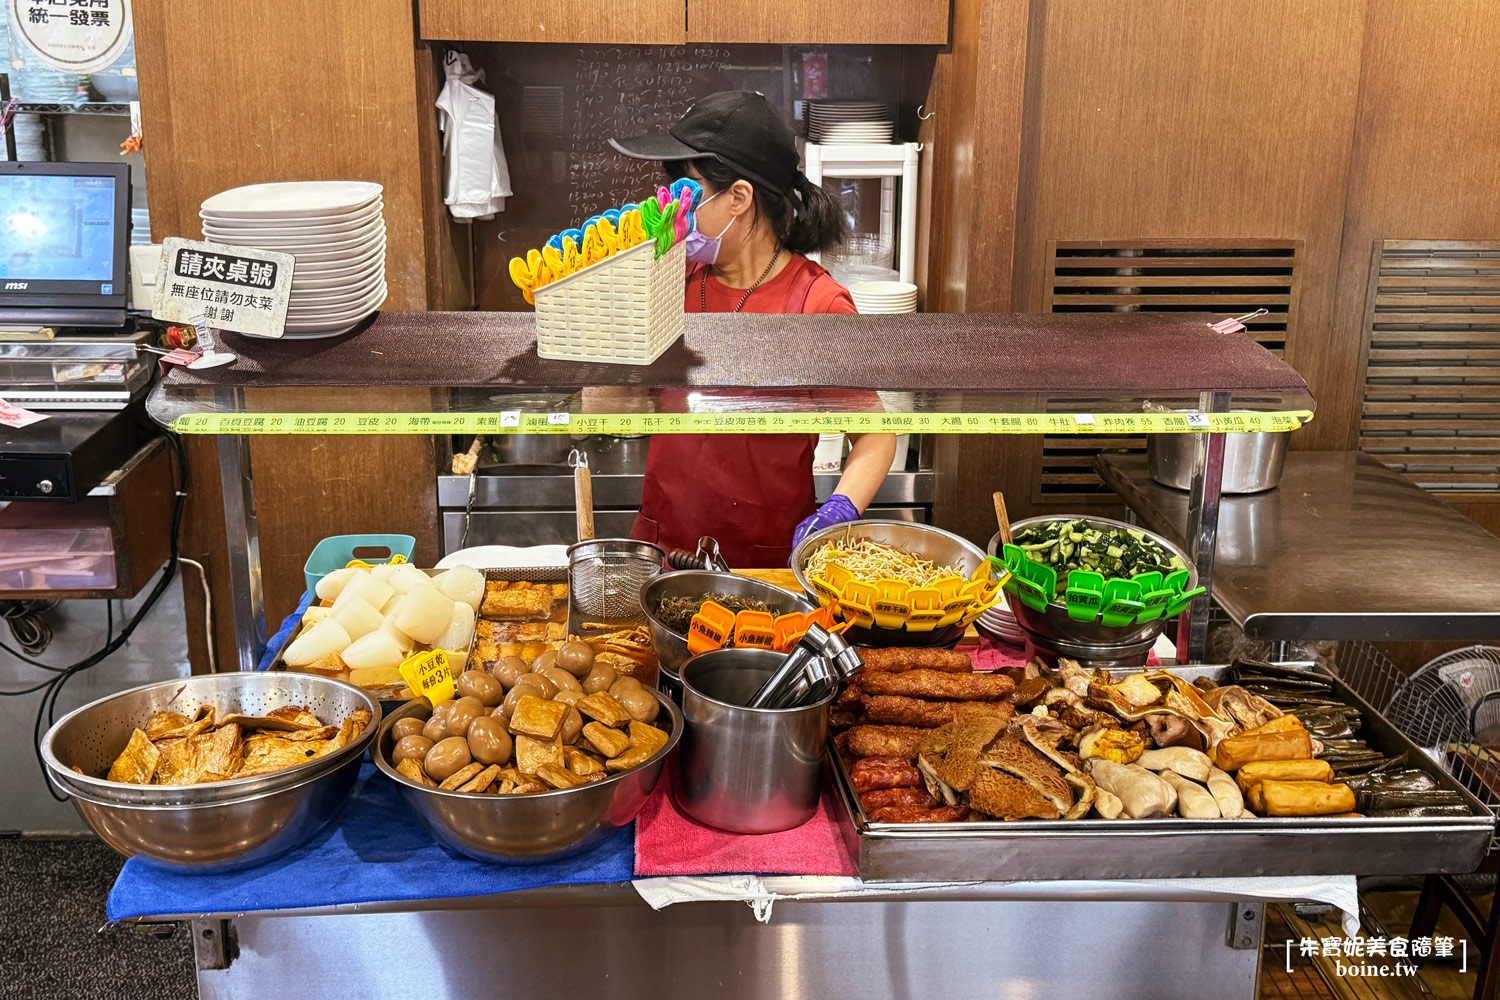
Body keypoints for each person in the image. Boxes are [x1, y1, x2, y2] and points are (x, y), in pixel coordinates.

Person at [610, 91, 896, 567]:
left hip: (763, 565)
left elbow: (876, 433)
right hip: (664, 553)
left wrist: (839, 511)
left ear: (738, 197)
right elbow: (613, 405)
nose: (671, 211)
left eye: (685, 193)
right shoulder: (670, 277)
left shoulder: (816, 303)